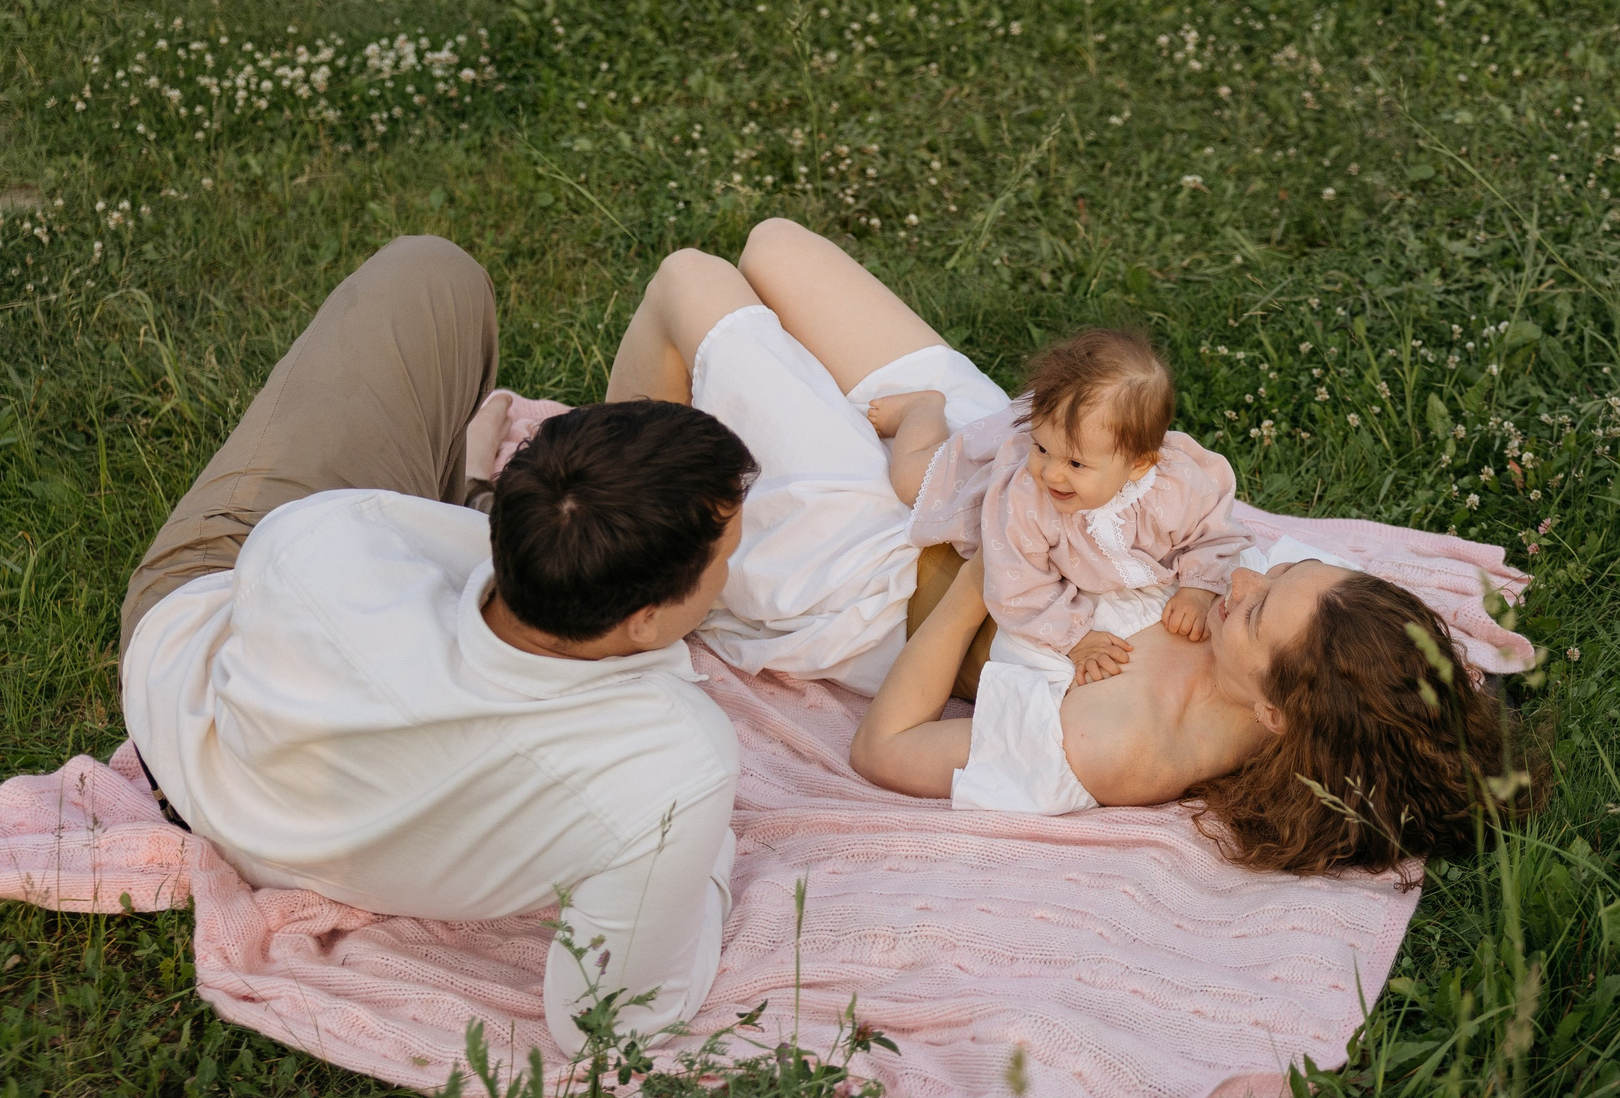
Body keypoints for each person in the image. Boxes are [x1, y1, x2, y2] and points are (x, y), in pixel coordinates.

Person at [608, 218, 1530, 871]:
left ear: (1280, 715)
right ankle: (738, 428)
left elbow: (884, 750)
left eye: (1254, 607)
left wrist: (992, 570)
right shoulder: (1303, 644)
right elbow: (1207, 524)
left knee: (689, 281)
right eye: (1279, 570)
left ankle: (594, 515)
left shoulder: (1126, 744)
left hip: (875, 564)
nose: (1247, 576)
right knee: (772, 245)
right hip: (1006, 452)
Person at [119, 237, 755, 1054]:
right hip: (263, 754)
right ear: (642, 620)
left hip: (185, 709)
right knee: (431, 289)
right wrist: (706, 857)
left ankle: (466, 469)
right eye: (725, 560)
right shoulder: (673, 769)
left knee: (430, 279)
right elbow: (610, 1025)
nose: (731, 569)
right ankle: (462, 469)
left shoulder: (324, 540)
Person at [888, 325, 1252, 687]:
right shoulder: (1027, 500)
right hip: (992, 470)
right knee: (909, 479)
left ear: (1139, 464)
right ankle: (922, 408)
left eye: (1076, 464)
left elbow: (1214, 532)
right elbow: (1017, 580)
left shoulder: (1176, 487)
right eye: (1041, 449)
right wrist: (1075, 637)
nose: (1051, 475)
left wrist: (1198, 588)